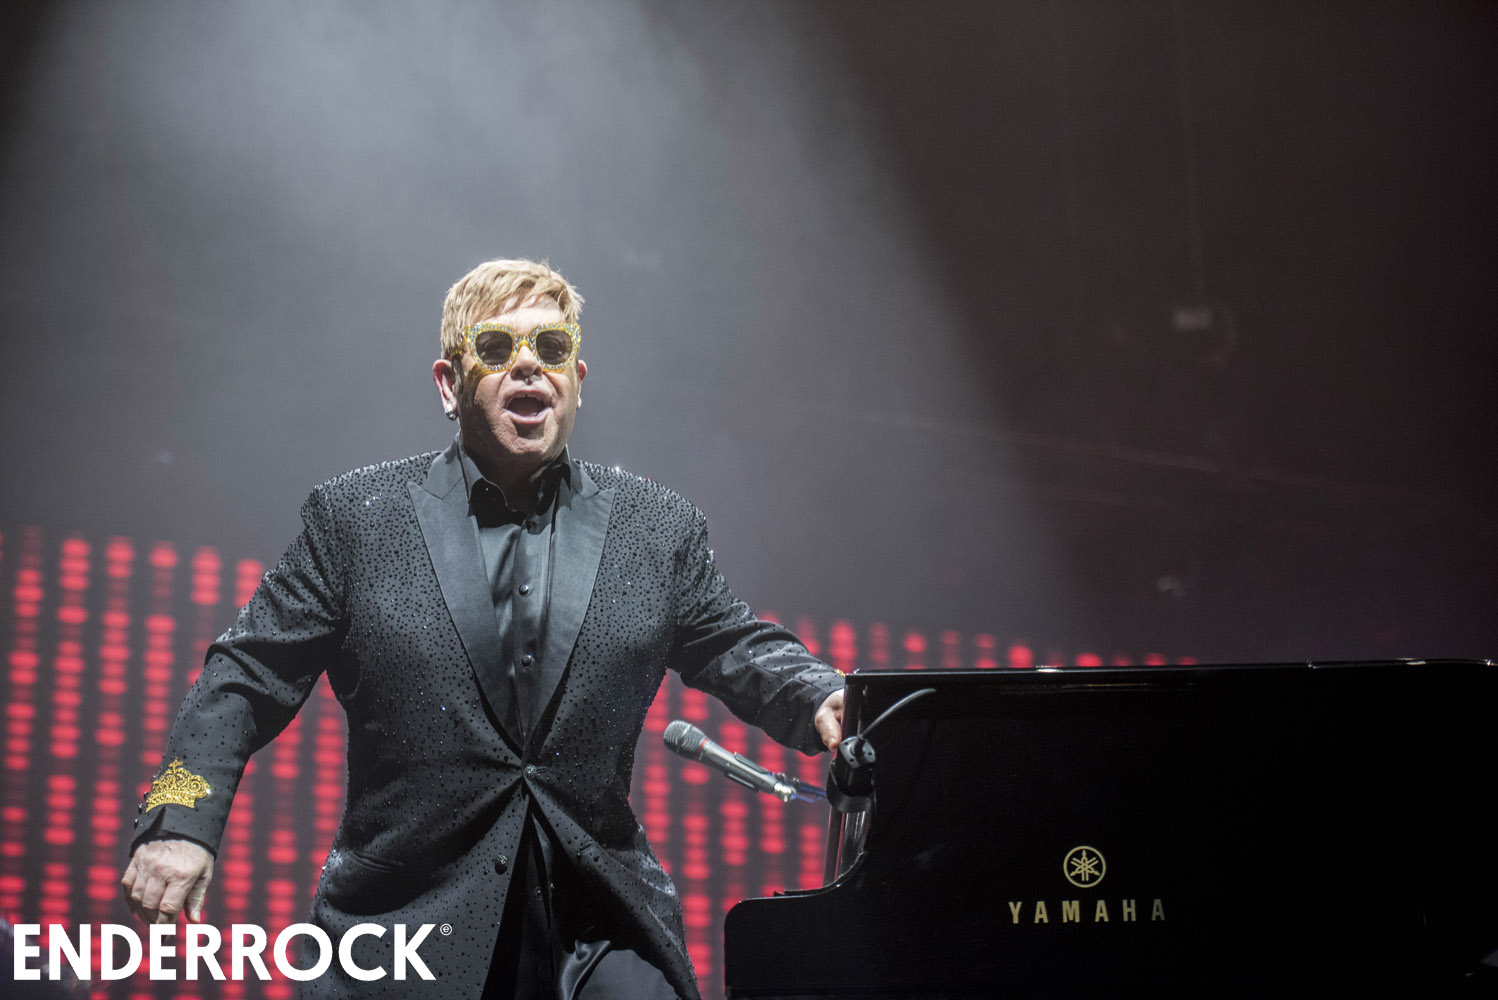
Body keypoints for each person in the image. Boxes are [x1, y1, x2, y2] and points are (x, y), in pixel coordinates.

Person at [120, 258, 846, 999]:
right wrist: (178, 819)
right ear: (448, 384)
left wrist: (822, 694)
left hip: (597, 930)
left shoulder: (655, 528)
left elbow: (733, 642)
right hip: (406, 929)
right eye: (497, 347)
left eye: (551, 348)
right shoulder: (357, 521)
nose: (529, 364)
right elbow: (244, 676)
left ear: (577, 380)